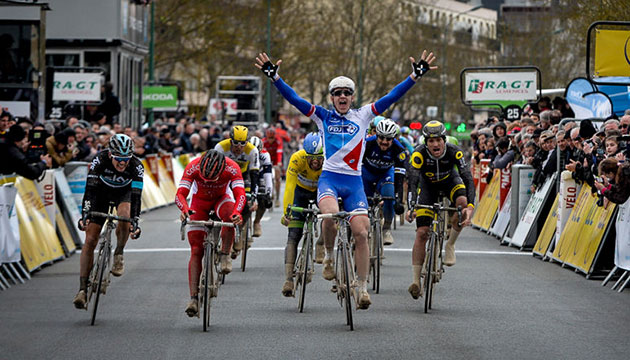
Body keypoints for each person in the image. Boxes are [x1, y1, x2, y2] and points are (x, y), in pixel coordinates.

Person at [255, 48, 437, 309]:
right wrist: (275, 78)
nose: (342, 96)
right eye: (338, 93)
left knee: (361, 233)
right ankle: (328, 255)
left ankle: (361, 287)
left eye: (347, 93)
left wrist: (414, 76)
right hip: (329, 178)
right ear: (331, 98)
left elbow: (391, 96)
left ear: (352, 98)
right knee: (330, 216)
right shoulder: (322, 116)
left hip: (354, 182)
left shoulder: (363, 115)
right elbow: (294, 98)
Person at [405, 121, 475, 299]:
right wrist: (411, 206)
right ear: (426, 142)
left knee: (461, 201)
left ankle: (450, 244)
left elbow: (467, 178)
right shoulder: (418, 153)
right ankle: (415, 280)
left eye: (438, 140)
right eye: (431, 141)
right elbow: (412, 180)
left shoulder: (454, 151)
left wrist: (470, 207)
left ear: (444, 140)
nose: (435, 144)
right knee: (422, 232)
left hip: (451, 182)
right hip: (428, 188)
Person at [73, 134, 143, 309]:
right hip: (100, 194)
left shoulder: (136, 166)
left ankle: (119, 252)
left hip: (123, 194)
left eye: (126, 159)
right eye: (119, 159)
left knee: (125, 214)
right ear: (111, 154)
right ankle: (82, 289)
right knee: (90, 240)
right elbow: (89, 190)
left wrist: (135, 221)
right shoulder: (100, 159)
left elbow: (136, 197)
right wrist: (85, 215)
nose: (122, 163)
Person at [175, 150, 246, 317]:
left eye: (213, 179)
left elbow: (240, 194)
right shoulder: (193, 166)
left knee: (229, 217)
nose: (209, 181)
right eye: (205, 178)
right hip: (199, 202)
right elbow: (180, 194)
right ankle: (193, 298)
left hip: (222, 198)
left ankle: (225, 254)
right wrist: (184, 209)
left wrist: (237, 212)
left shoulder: (232, 167)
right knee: (196, 250)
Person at [280, 132, 324, 297]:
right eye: (311, 158)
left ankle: (320, 243)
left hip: (321, 191)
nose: (315, 162)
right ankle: (289, 279)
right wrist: (287, 212)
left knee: (331, 220)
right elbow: (289, 187)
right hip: (300, 192)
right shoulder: (297, 158)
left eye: (318, 158)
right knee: (293, 234)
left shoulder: (330, 158)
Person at [214, 125, 260, 253]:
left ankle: (240, 226)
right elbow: (213, 169)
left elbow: (255, 174)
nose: (239, 147)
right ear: (230, 140)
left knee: (247, 203)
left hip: (242, 177)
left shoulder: (252, 151)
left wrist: (254, 197)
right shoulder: (221, 147)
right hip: (224, 177)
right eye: (235, 143)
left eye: (243, 144)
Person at [361, 119, 406, 245]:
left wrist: (398, 199)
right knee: (363, 201)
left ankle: (386, 228)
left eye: (388, 139)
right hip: (367, 174)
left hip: (385, 174)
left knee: (389, 195)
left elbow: (399, 176)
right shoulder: (367, 144)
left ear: (393, 138)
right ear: (376, 136)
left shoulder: (398, 149)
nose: (385, 142)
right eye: (381, 138)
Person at [250, 135, 273, 237]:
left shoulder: (265, 155)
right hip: (248, 174)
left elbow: (268, 176)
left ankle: (257, 222)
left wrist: (269, 193)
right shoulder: (244, 152)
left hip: (260, 175)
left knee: (263, 198)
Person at [263, 127, 284, 208]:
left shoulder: (278, 141)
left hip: (275, 161)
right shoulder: (263, 141)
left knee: (277, 178)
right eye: (269, 138)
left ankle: (277, 198)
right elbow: (263, 153)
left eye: (272, 138)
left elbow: (279, 152)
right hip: (266, 161)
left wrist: (279, 163)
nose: (271, 140)